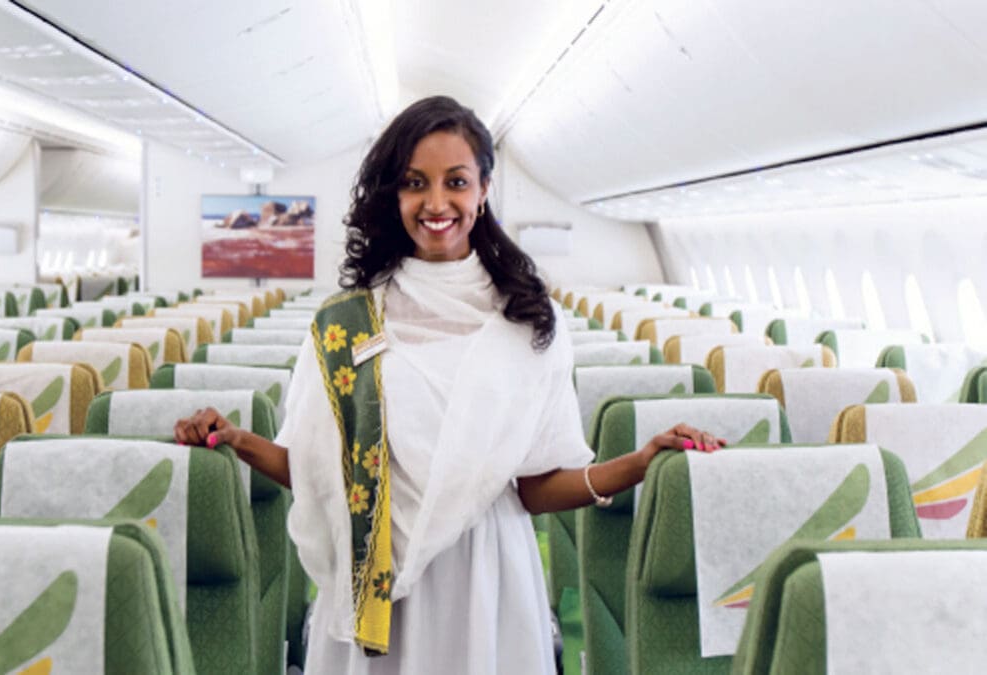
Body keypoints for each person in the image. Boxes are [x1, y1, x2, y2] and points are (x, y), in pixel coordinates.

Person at [174, 95, 726, 674]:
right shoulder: (345, 323)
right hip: (373, 575)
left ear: (484, 189)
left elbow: (535, 487)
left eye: (455, 182)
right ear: (394, 195)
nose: (436, 203)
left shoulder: (528, 320)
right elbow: (319, 471)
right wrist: (237, 439)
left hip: (486, 573)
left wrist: (640, 462)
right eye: (415, 183)